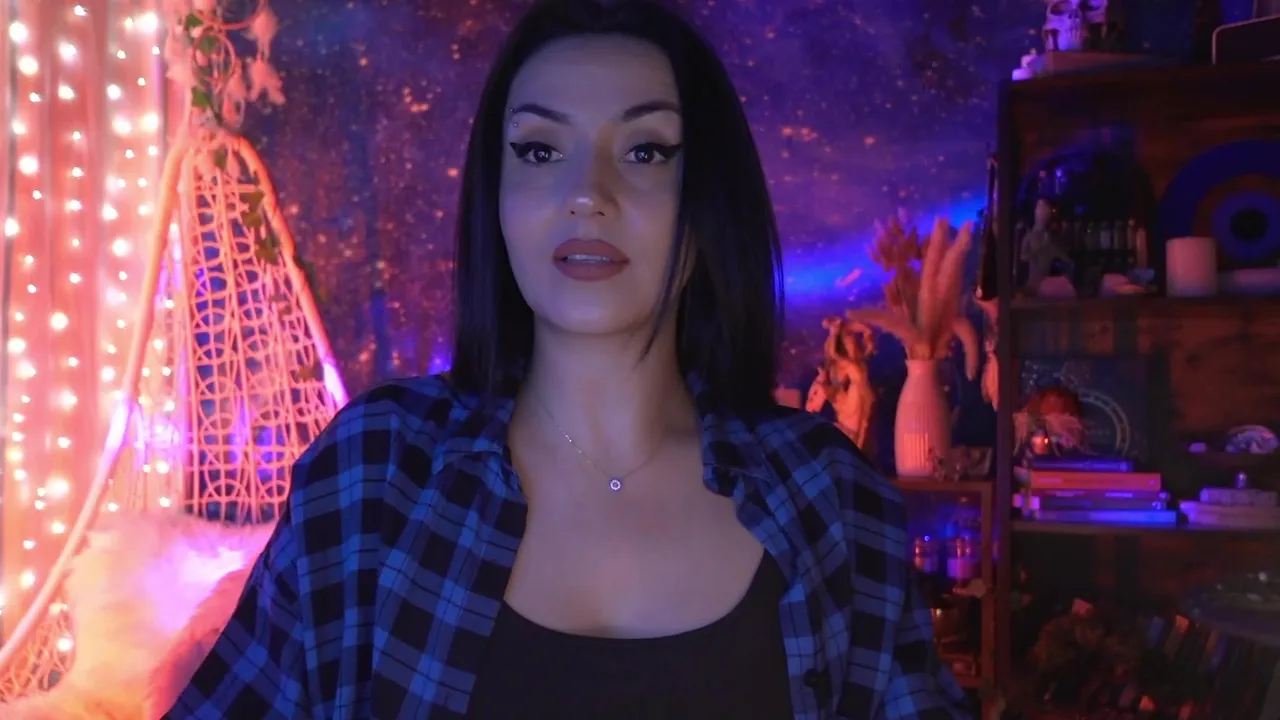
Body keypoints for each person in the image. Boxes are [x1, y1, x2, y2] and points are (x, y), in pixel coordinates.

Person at [165, 0, 971, 718]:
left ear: (707, 199)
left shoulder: (827, 496)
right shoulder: (376, 475)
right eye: (540, 151)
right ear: (497, 195)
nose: (587, 193)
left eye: (646, 151)